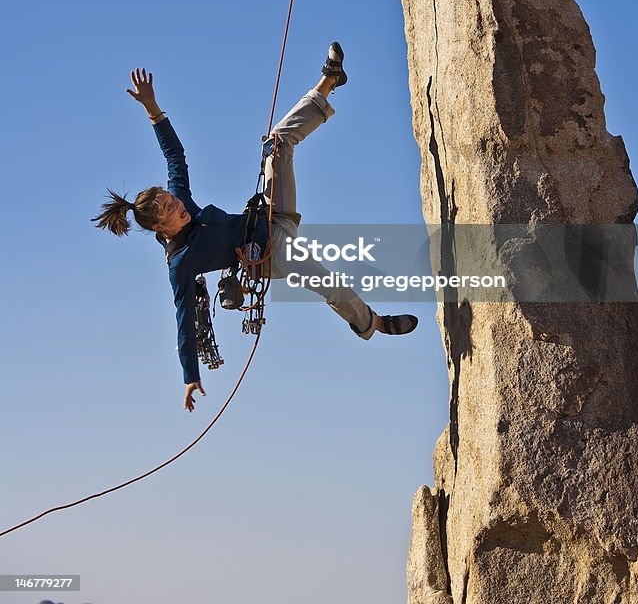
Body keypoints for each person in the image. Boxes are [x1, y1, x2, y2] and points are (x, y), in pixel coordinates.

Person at [93, 44, 418, 412]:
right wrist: (189, 375)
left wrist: (153, 109)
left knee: (277, 141)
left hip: (267, 216)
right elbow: (183, 322)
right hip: (270, 256)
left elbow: (175, 156)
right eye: (170, 210)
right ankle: (370, 323)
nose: (179, 206)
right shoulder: (180, 263)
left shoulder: (181, 199)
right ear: (160, 228)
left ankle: (329, 81)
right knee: (328, 282)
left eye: (172, 199)